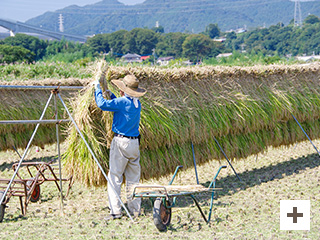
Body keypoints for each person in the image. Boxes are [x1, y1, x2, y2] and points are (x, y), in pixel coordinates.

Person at [94, 74, 147, 221]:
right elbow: (119, 103)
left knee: (115, 177)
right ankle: (135, 210)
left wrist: (97, 88)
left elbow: (102, 104)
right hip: (134, 144)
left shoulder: (122, 102)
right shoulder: (136, 103)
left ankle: (116, 211)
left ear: (123, 91)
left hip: (121, 143)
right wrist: (111, 94)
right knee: (133, 179)